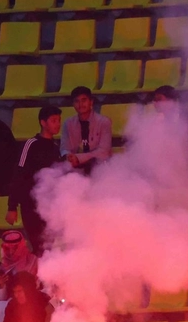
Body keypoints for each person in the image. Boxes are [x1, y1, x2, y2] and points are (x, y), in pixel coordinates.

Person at [6, 105, 64, 250]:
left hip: (50, 206)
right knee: (39, 245)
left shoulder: (56, 147)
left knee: (50, 246)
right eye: (54, 120)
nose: (57, 124)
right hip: (30, 206)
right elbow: (18, 174)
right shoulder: (30, 145)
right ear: (43, 123)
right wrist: (12, 207)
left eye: (59, 120)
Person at [61, 87, 112, 172]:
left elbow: (104, 151)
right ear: (73, 104)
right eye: (77, 101)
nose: (80, 104)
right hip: (75, 167)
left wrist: (79, 158)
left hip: (99, 167)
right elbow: (64, 148)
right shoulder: (68, 123)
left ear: (91, 102)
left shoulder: (103, 122)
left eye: (84, 100)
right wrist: (68, 156)